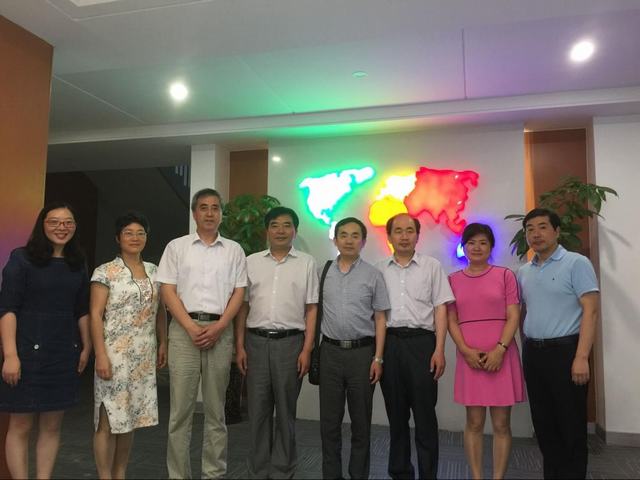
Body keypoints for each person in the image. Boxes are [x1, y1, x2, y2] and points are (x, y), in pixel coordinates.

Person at [157, 188, 247, 479]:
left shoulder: (234, 250)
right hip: (184, 332)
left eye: (215, 208)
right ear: (195, 213)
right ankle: (178, 475)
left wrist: (220, 327)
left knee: (216, 412)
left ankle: (213, 474)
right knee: (180, 413)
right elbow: (167, 290)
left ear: (221, 214)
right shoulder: (177, 247)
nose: (210, 213)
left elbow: (239, 293)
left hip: (220, 331)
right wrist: (190, 326)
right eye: (204, 207)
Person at [0, 202, 92, 479]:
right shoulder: (21, 258)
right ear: (42, 225)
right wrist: (10, 355)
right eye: (54, 222)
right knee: (21, 425)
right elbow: (8, 309)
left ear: (75, 227)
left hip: (63, 351)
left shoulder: (77, 263)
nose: (61, 228)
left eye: (68, 222)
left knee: (52, 426)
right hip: (26, 351)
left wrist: (86, 345)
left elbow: (82, 310)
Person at [235, 206, 319, 479]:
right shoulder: (251, 261)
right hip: (255, 343)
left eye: (286, 225)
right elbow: (243, 306)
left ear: (295, 230)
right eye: (274, 225)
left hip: (291, 344)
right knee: (257, 411)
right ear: (267, 230)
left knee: (285, 411)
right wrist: (239, 346)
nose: (280, 230)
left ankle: (283, 470)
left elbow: (311, 309)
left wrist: (307, 349)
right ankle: (258, 470)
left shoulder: (306, 263)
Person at [517, 208, 599, 479]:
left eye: (542, 227)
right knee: (544, 423)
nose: (536, 234)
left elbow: (591, 311)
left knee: (570, 424)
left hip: (566, 352)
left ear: (557, 231)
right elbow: (523, 312)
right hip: (534, 353)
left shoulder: (576, 263)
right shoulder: (524, 271)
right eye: (530, 229)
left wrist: (581, 357)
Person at [376, 213, 455, 479]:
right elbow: (376, 314)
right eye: (398, 231)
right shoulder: (379, 269)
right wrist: (378, 356)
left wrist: (439, 349)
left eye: (410, 231)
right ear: (389, 236)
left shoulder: (432, 266)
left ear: (418, 236)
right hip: (391, 344)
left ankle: (428, 474)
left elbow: (441, 309)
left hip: (423, 345)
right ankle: (400, 472)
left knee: (425, 416)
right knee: (396, 415)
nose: (404, 236)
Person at [90, 211, 168, 479]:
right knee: (108, 419)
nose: (135, 238)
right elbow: (95, 315)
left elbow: (160, 310)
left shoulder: (155, 271)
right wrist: (100, 354)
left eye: (140, 233)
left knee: (129, 419)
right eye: (128, 233)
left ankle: (120, 473)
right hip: (113, 354)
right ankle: (104, 476)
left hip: (143, 356)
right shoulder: (105, 271)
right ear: (118, 238)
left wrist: (163, 341)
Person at [447, 223, 525, 480]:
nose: (477, 247)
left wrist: (500, 350)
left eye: (483, 242)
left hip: (501, 356)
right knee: (474, 422)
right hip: (469, 358)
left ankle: (498, 477)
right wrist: (465, 350)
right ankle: (477, 476)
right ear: (463, 247)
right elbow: (451, 319)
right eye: (471, 242)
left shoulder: (505, 275)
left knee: (501, 424)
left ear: (491, 246)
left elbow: (513, 315)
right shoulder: (452, 280)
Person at [319, 216, 389, 480]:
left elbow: (380, 318)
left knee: (361, 423)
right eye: (344, 235)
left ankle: (358, 475)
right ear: (335, 240)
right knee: (329, 423)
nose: (349, 240)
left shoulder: (373, 275)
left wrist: (378, 358)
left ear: (363, 241)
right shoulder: (322, 272)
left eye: (355, 235)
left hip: (362, 354)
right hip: (330, 353)